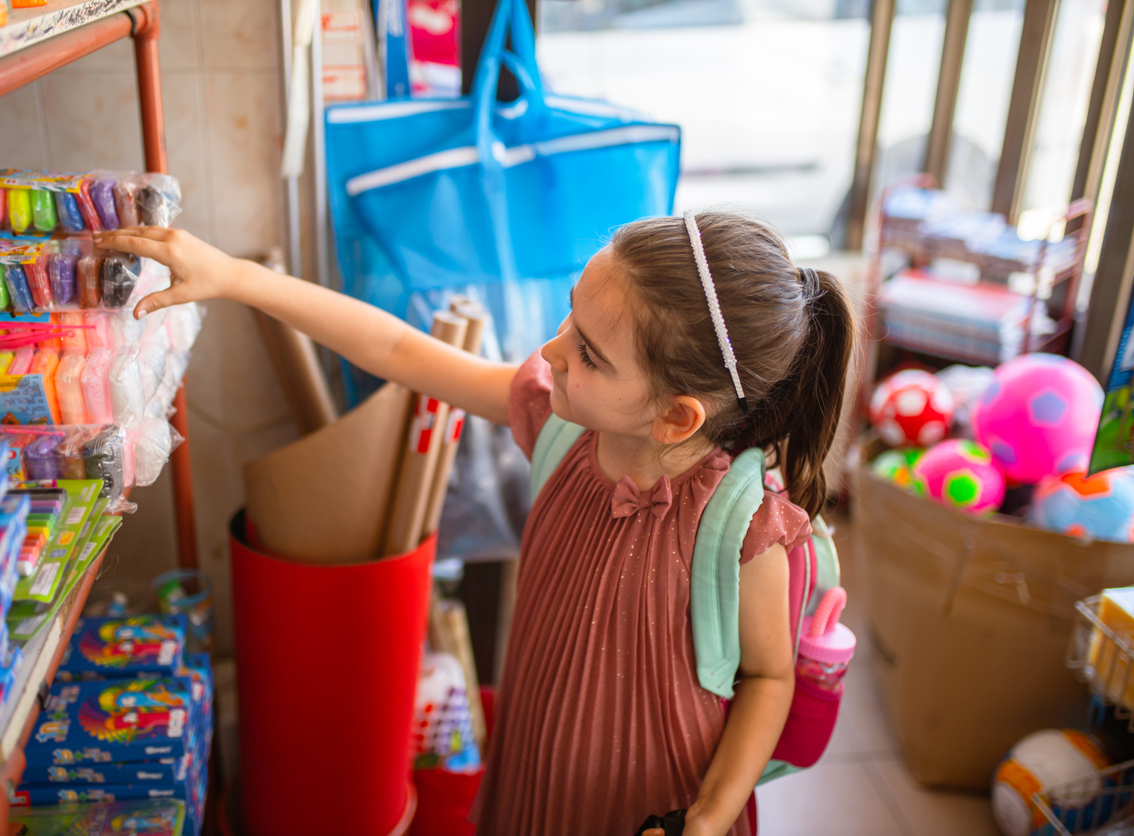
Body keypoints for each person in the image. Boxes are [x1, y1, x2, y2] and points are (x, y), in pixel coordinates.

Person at [94, 209, 855, 836]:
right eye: (569, 321)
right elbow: (395, 346)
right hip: (532, 778)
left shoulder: (743, 527)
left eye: (587, 353)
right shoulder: (563, 429)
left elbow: (768, 678)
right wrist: (238, 278)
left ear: (675, 416)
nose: (552, 351)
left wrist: (710, 819)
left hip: (652, 809)